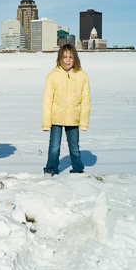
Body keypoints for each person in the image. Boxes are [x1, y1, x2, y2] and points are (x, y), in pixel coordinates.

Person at [42, 44, 90, 175]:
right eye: (64, 57)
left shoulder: (82, 76)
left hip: (74, 118)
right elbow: (47, 101)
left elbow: (86, 101)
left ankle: (78, 169)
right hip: (56, 117)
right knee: (54, 147)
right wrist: (46, 123)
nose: (67, 60)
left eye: (71, 57)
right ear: (59, 58)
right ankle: (51, 169)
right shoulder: (52, 76)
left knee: (74, 148)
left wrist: (83, 122)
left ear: (75, 58)